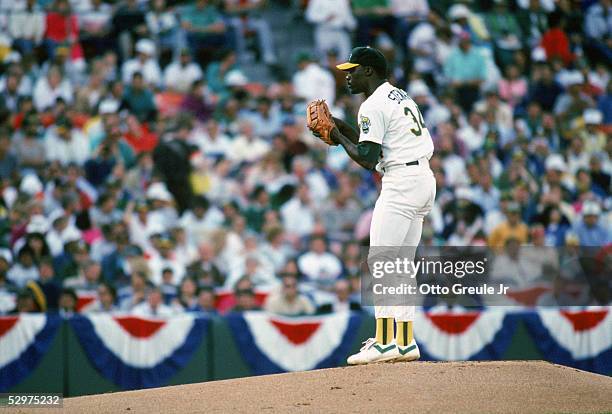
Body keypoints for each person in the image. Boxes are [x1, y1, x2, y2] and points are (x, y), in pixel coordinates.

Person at [329, 46, 436, 364]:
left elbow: (366, 157)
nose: (347, 76)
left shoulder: (371, 105)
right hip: (422, 179)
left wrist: (336, 133)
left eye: (353, 70)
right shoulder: (398, 95)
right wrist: (340, 130)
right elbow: (371, 143)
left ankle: (386, 341)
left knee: (383, 263)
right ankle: (405, 342)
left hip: (401, 183)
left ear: (369, 71)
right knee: (401, 265)